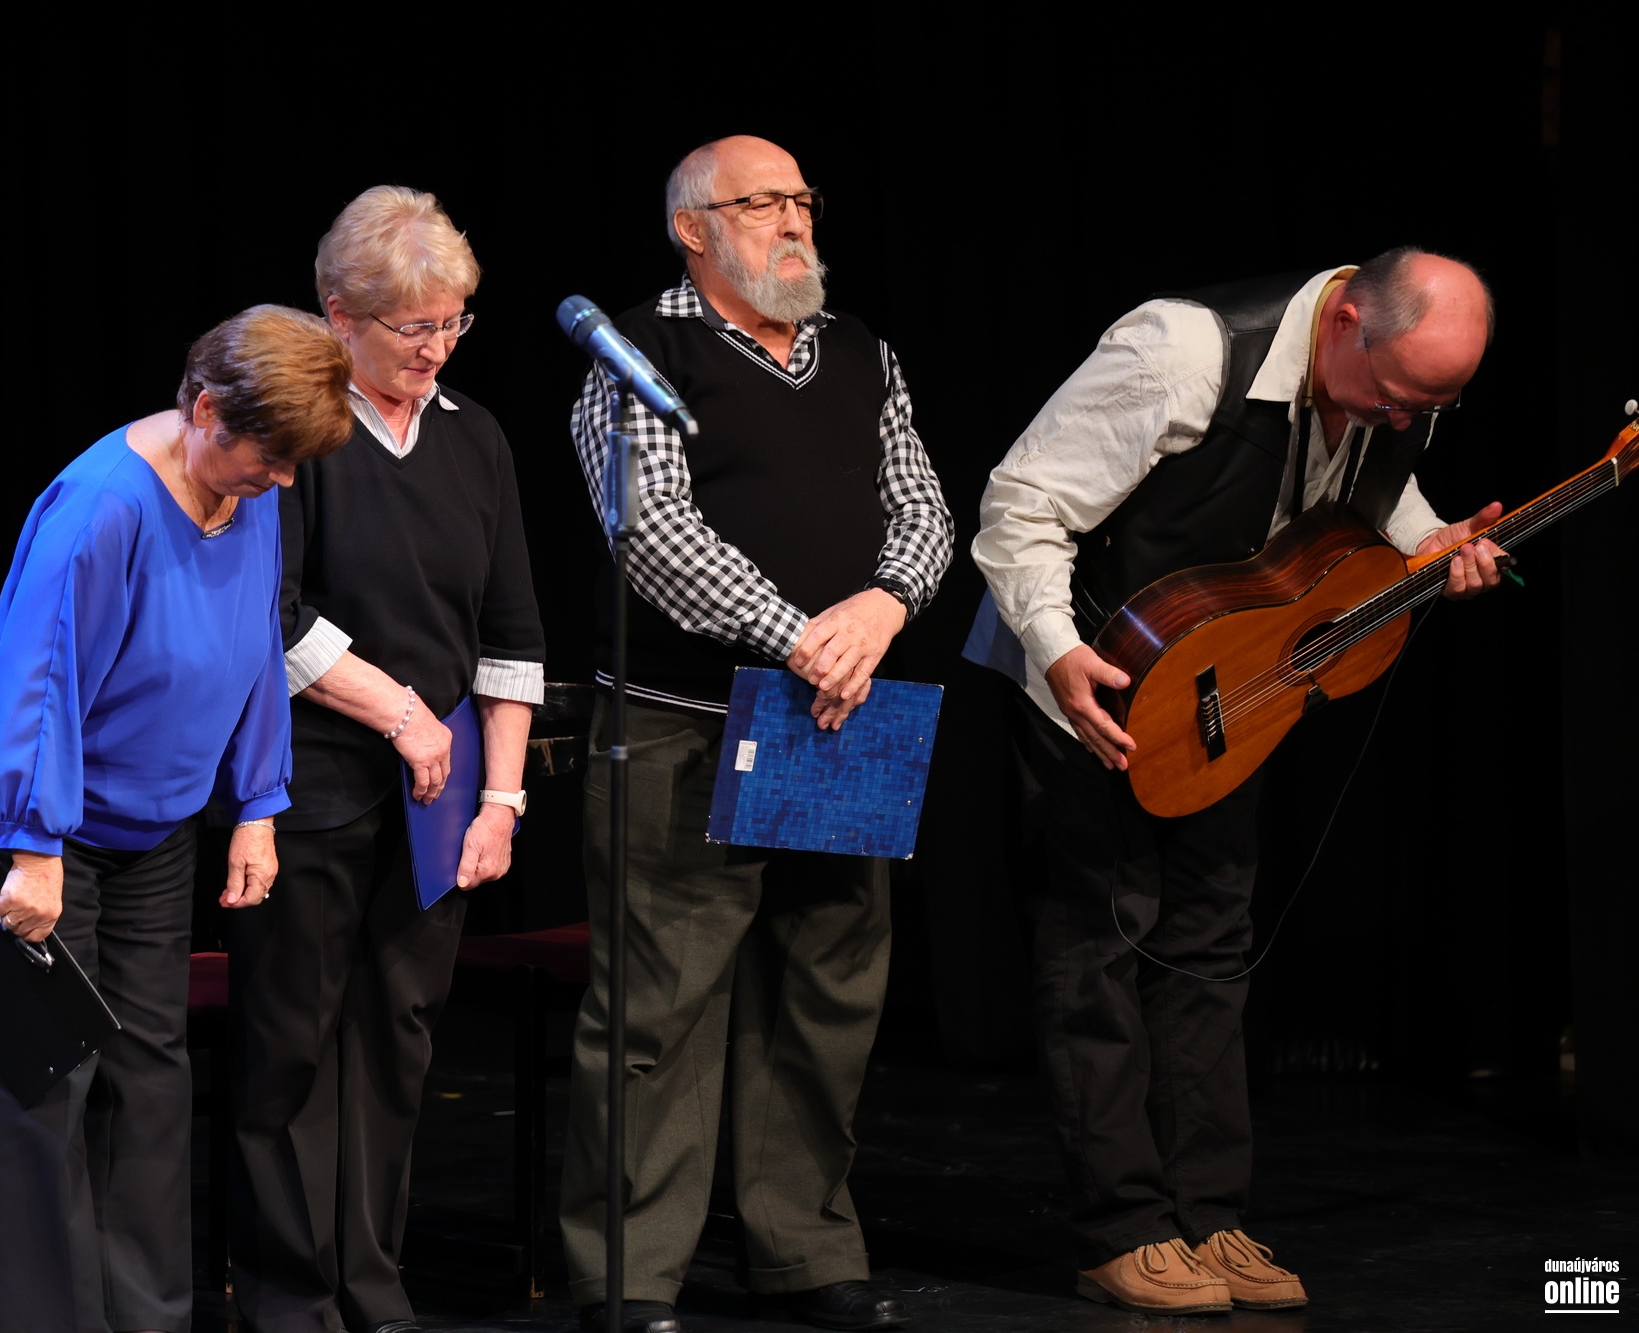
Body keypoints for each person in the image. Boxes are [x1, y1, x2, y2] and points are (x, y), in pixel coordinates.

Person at [966, 248, 1508, 1316]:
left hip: (1228, 684)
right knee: (1099, 947)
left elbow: (1367, 496)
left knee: (1209, 946)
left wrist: (1429, 544)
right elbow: (1020, 505)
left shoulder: (1393, 388)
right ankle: (1121, 1228)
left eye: (1430, 408)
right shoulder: (1181, 352)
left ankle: (1206, 1214)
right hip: (1090, 671)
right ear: (1345, 320)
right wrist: (1058, 650)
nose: (1405, 420)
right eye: (1397, 397)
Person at [560, 136, 954, 1333]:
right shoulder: (639, 355)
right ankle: (631, 1273)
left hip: (841, 716)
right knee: (658, 1005)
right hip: (684, 721)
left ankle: (804, 1250)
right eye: (760, 203)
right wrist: (800, 637)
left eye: (800, 200)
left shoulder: (861, 352)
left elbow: (922, 506)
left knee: (828, 990)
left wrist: (880, 609)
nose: (792, 221)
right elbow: (654, 534)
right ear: (694, 230)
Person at [0, 304, 353, 1333]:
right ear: (204, 410)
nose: (282, 480)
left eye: (294, 463)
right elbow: (39, 682)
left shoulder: (246, 487)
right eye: (270, 456)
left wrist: (258, 802)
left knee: (148, 1070)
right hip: (16, 809)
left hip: (152, 820)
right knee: (35, 1080)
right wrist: (31, 847)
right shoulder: (101, 508)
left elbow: (254, 645)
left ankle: (145, 1320)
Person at [225, 185, 545, 1333]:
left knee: (396, 1040)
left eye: (452, 322)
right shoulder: (301, 432)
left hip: (437, 795)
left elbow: (510, 633)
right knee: (291, 1042)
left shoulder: (473, 436)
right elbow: (271, 611)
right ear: (339, 316)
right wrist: (401, 713)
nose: (434, 347)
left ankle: (371, 1285)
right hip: (307, 779)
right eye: (412, 326)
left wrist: (499, 797)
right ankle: (288, 1294)